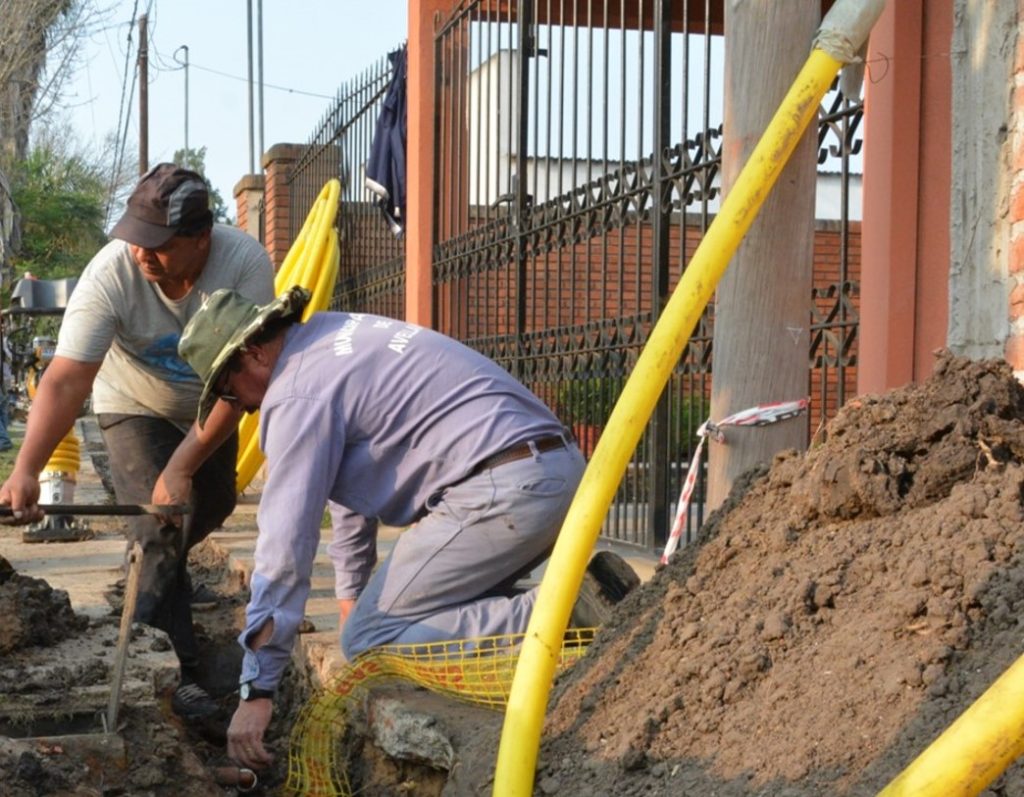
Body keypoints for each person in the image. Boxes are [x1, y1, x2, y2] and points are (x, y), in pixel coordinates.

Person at [175, 286, 639, 770]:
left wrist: (258, 687)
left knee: (372, 639)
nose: (241, 407)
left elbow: (284, 550)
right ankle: (575, 596)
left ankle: (568, 611)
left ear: (251, 353)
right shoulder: (331, 337)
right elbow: (352, 494)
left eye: (229, 390)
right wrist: (354, 598)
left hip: (504, 489)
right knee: (376, 624)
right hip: (554, 473)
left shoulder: (295, 393)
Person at [0, 163, 275, 720]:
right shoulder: (110, 275)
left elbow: (244, 382)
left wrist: (181, 467)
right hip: (132, 402)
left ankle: (152, 572)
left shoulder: (243, 264)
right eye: (134, 240)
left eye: (159, 245)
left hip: (211, 404)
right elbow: (67, 377)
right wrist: (26, 468)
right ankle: (169, 673)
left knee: (211, 501)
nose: (142, 255)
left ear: (203, 238)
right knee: (157, 523)